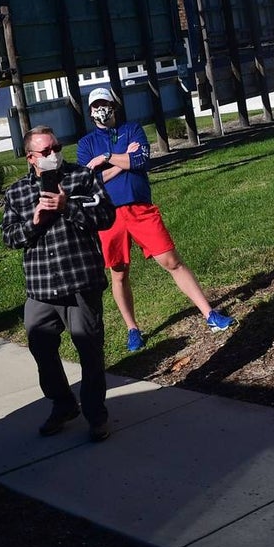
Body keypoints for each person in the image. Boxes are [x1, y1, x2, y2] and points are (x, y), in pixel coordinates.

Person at [76, 87, 235, 352]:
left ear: (114, 105)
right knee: (119, 273)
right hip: (108, 216)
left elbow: (141, 160)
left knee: (171, 260)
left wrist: (104, 159)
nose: (101, 109)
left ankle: (209, 314)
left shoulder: (132, 130)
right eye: (95, 106)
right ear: (90, 112)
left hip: (140, 209)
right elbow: (89, 181)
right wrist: (122, 162)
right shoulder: (86, 144)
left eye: (105, 103)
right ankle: (133, 329)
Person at [2, 126, 117, 441]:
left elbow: (107, 217)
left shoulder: (82, 178)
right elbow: (9, 237)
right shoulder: (16, 193)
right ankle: (63, 404)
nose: (54, 154)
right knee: (41, 348)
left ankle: (96, 416)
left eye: (57, 147)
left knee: (90, 351)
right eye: (46, 151)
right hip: (41, 288)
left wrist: (69, 207)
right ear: (31, 158)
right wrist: (33, 223)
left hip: (80, 281)